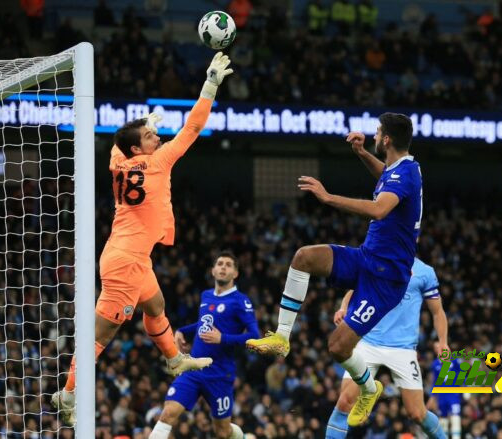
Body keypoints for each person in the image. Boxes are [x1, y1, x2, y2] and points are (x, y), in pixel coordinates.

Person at [52, 52, 234, 426]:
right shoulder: (160, 161)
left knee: (156, 304)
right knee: (99, 337)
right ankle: (68, 393)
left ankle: (172, 358)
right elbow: (192, 128)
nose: (157, 135)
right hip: (123, 262)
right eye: (151, 135)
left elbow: (120, 143)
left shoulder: (119, 161)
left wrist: (144, 122)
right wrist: (210, 84)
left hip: (129, 253)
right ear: (140, 149)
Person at [247, 113, 423, 427]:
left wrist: (328, 198)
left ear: (387, 140)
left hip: (386, 280)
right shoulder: (401, 169)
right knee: (303, 257)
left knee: (337, 347)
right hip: (367, 259)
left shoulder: (406, 174)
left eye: (376, 133)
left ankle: (369, 389)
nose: (373, 136)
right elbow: (384, 175)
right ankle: (282, 337)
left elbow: (379, 209)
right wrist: (361, 154)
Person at [326, 257, 448, 438]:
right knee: (345, 401)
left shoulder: (425, 272)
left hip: (403, 349)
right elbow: (358, 287)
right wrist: (344, 307)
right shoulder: (379, 258)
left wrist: (443, 342)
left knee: (417, 413)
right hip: (368, 342)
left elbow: (437, 311)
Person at [149, 251, 260, 439]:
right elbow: (203, 323)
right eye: (220, 264)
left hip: (219, 374)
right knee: (168, 413)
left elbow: (255, 336)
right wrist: (183, 330)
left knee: (223, 432)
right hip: (193, 370)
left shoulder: (241, 301)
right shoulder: (206, 295)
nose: (223, 267)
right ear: (213, 271)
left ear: (236, 273)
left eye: (228, 265)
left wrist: (222, 338)